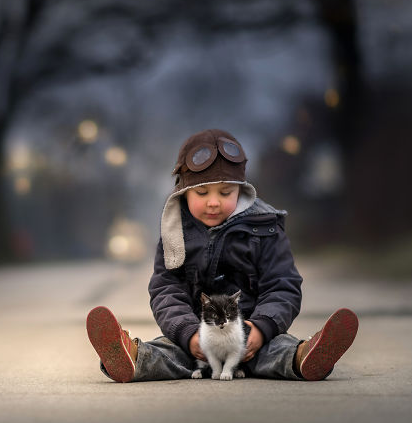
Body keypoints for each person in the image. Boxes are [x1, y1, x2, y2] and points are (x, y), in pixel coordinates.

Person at [86, 128, 358, 383]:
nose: (213, 202)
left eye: (225, 192)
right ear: (183, 192)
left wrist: (262, 328)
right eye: (202, 192)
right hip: (197, 341)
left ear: (241, 190)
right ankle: (131, 358)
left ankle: (304, 358)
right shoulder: (175, 232)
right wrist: (188, 333)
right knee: (167, 351)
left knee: (279, 348)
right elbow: (166, 289)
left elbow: (283, 285)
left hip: (250, 337)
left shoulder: (265, 227)